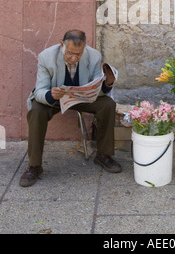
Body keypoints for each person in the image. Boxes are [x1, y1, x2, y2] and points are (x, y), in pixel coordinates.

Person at [20, 29, 122, 187]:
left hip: (82, 97)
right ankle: (34, 166)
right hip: (55, 98)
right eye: (70, 53)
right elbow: (40, 90)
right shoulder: (46, 57)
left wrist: (107, 83)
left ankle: (104, 155)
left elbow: (97, 90)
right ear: (62, 45)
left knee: (108, 105)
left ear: (85, 48)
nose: (74, 58)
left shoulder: (94, 56)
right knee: (36, 111)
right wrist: (50, 95)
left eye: (79, 54)